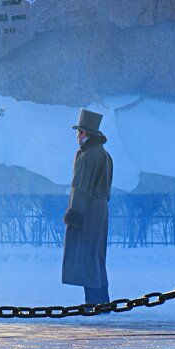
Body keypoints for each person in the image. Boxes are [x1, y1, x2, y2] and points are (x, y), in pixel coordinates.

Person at [62, 109, 113, 305]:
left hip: (87, 212)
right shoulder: (103, 154)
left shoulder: (88, 155)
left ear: (87, 133)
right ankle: (101, 299)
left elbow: (80, 188)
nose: (77, 135)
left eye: (80, 132)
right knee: (96, 256)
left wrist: (74, 214)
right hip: (99, 211)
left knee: (86, 256)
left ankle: (93, 302)